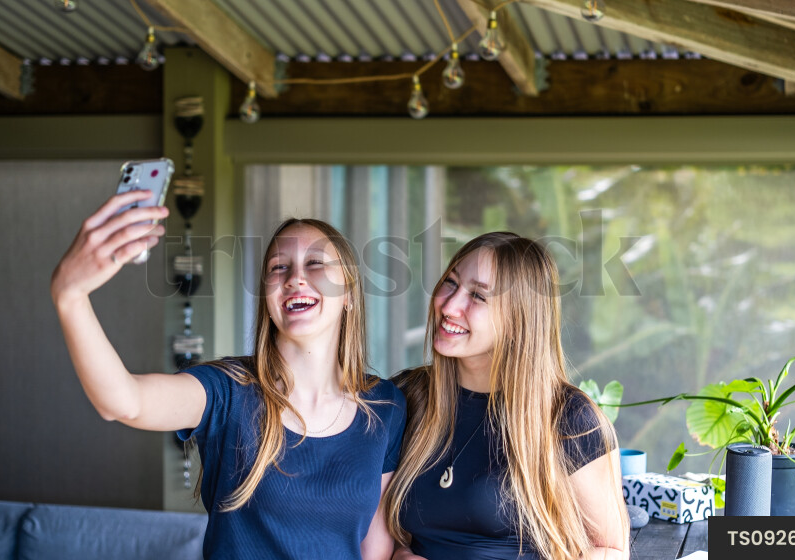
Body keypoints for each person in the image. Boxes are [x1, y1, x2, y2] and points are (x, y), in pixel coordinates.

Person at [50, 190, 406, 560]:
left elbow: (375, 548)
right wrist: (70, 297)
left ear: (349, 293)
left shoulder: (386, 406)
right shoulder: (228, 391)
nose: (295, 278)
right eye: (278, 267)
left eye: (315, 263)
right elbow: (125, 401)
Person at [383, 232, 629, 560]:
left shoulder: (568, 418)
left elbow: (611, 549)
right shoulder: (407, 395)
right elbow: (365, 518)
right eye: (451, 282)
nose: (450, 306)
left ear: (518, 319)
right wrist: (399, 553)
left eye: (478, 296)